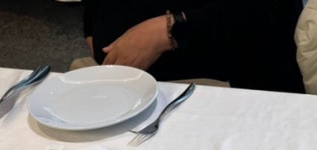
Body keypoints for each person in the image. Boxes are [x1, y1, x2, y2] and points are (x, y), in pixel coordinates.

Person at [82, 1, 305, 92]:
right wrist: (91, 26)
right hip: (123, 86)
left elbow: (272, 13)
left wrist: (168, 31)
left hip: (222, 88)